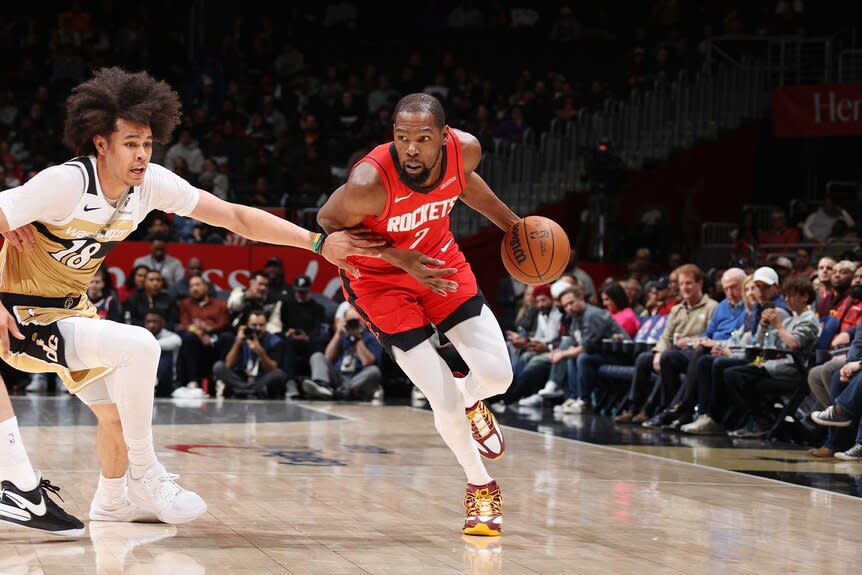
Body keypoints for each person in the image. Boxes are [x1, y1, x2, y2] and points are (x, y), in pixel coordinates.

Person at [0, 67, 382, 534]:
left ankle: (113, 502)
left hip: (69, 309)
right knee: (139, 345)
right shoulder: (67, 183)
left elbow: (235, 216)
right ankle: (147, 475)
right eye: (130, 143)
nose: (142, 154)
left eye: (148, 142)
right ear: (100, 143)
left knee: (118, 420)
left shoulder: (151, 184)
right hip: (17, 312)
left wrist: (317, 244)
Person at [317, 93, 515, 536]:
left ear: (444, 139)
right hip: (379, 281)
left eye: (422, 139)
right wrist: (398, 257)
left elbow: (465, 182)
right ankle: (480, 486)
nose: (411, 148)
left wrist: (513, 226)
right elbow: (327, 221)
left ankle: (474, 401)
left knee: (500, 377)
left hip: (439, 261)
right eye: (402, 137)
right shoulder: (368, 182)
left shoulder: (466, 152)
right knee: (440, 397)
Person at [212, 310, 288, 399]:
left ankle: (241, 391)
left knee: (279, 374)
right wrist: (238, 342)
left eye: (261, 325)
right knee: (218, 366)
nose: (258, 328)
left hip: (261, 379)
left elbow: (272, 368)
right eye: (254, 325)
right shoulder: (240, 338)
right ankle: (252, 391)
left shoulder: (274, 341)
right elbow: (228, 365)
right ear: (247, 325)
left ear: (266, 325)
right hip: (241, 378)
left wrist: (260, 351)